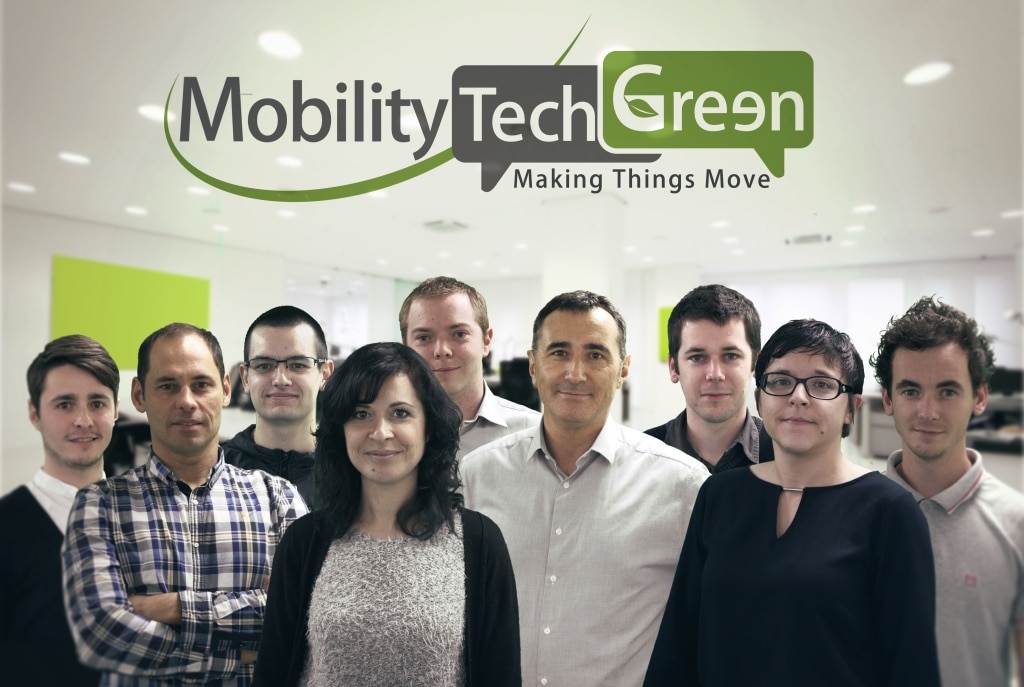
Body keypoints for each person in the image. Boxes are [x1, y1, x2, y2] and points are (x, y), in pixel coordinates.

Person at [644, 319, 940, 686]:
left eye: (821, 384)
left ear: (851, 408)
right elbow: (678, 647)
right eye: (781, 382)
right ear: (759, 399)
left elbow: (912, 667)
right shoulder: (718, 495)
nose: (798, 397)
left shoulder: (889, 511)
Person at [461, 290, 709, 686]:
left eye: (595, 354)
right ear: (533, 365)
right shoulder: (477, 475)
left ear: (623, 368)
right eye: (559, 352)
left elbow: (705, 630)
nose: (575, 373)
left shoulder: (682, 486)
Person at [253, 342, 520, 687]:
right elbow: (272, 673)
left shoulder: (480, 542)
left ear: (428, 427)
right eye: (361, 414)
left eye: (400, 413)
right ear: (341, 428)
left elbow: (501, 675)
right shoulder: (305, 541)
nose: (380, 433)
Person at [62, 323, 308, 686]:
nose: (187, 401)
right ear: (139, 395)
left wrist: (173, 607)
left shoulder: (279, 500)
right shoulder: (100, 506)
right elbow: (102, 636)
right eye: (167, 386)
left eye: (201, 384)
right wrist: (244, 656)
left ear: (226, 389)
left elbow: (306, 618)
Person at [872, 296, 1024, 687]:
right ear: (887, 399)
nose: (928, 411)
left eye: (948, 391)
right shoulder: (850, 509)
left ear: (980, 397)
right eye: (910, 391)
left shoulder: (1017, 522)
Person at [0, 335, 118, 686]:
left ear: (115, 411)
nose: (84, 420)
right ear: (34, 414)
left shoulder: (149, 515)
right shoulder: (6, 529)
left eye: (97, 403)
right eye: (64, 404)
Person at [400, 276, 539, 459]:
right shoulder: (386, 436)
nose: (442, 351)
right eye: (424, 338)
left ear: (486, 341)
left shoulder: (535, 432)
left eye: (459, 334)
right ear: (406, 347)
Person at [646, 284, 775, 472]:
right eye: (697, 357)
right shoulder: (642, 458)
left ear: (756, 363)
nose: (715, 374)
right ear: (673, 367)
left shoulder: (785, 454)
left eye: (731, 356)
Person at [223, 305, 334, 508]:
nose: (281, 380)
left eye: (298, 365)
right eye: (264, 365)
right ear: (245, 378)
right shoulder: (215, 470)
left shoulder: (352, 473)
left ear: (324, 374)